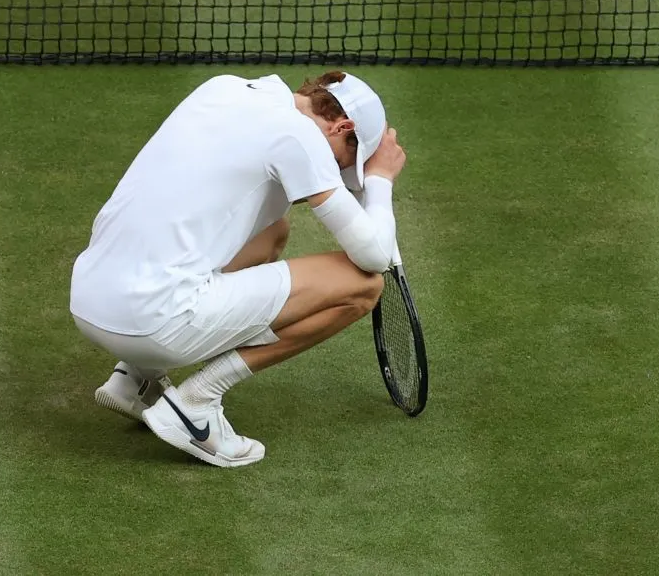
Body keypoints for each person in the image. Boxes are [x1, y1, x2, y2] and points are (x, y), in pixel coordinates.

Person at [69, 71, 407, 467]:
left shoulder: (223, 88)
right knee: (362, 285)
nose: (334, 172)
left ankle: (135, 379)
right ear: (341, 126)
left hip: (89, 299)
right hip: (154, 321)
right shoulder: (299, 135)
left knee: (273, 231)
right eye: (339, 162)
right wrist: (380, 179)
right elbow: (375, 257)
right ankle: (196, 404)